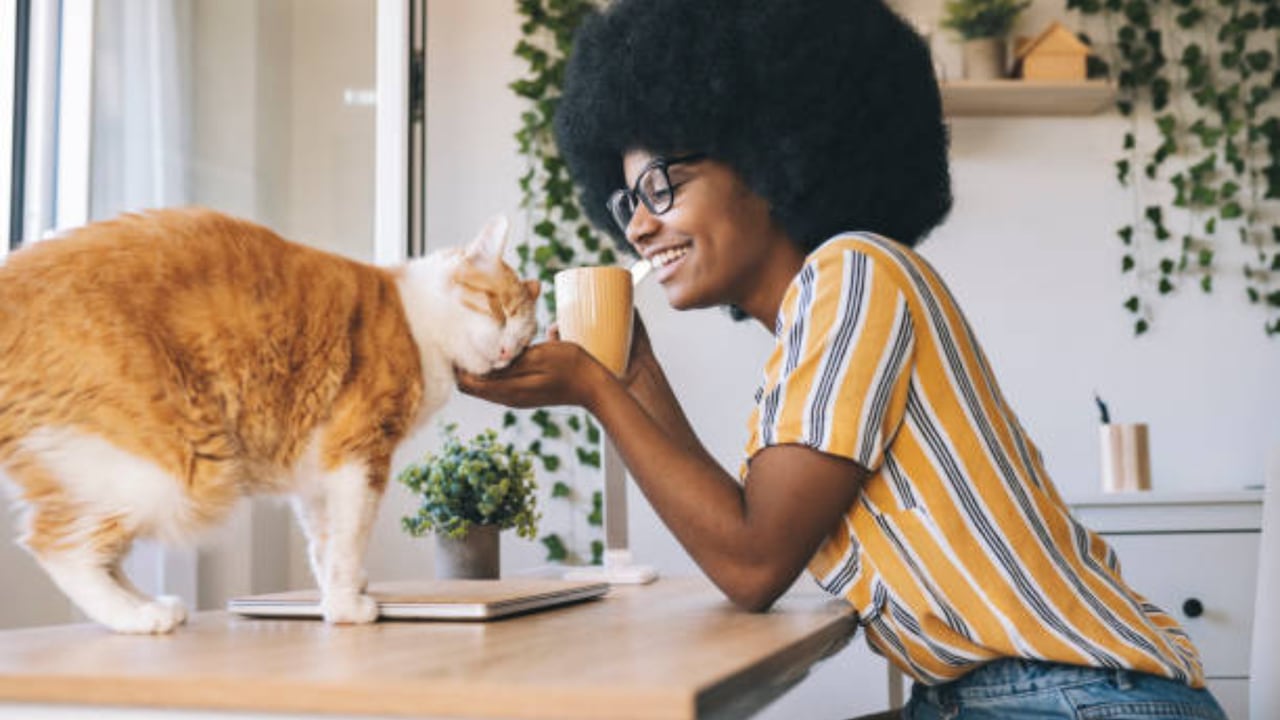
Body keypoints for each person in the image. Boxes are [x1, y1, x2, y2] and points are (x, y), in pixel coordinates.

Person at [457, 0, 1227, 717]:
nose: (641, 229)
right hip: (997, 697)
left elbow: (753, 565)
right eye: (628, 204)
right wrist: (630, 372)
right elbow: (741, 530)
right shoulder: (806, 343)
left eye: (662, 185)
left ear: (765, 158)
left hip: (1083, 698)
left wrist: (596, 390)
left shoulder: (858, 274)